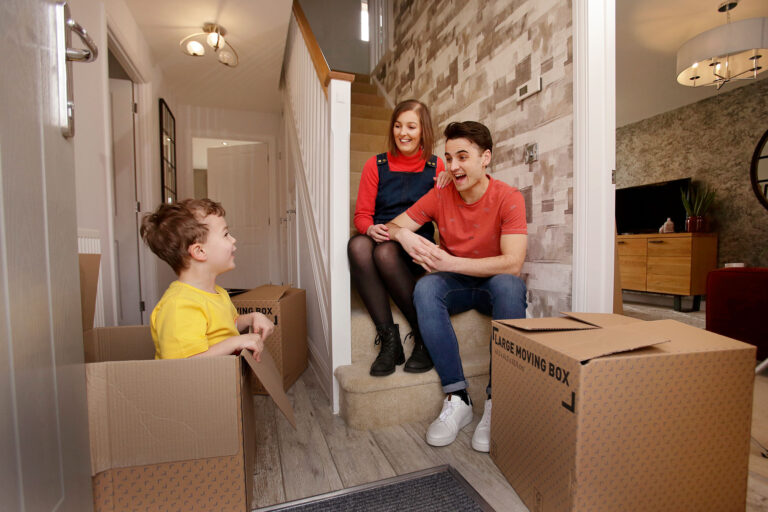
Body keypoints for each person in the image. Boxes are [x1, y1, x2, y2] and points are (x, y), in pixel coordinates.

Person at [386, 121, 527, 452]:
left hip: (494, 281)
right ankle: (458, 397)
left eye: (462, 157)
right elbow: (392, 226)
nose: (453, 166)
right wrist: (403, 234)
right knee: (426, 289)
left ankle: (498, 402)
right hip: (459, 285)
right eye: (448, 158)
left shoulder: (509, 197)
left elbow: (513, 263)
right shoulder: (440, 195)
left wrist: (449, 262)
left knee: (510, 287)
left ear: (485, 157)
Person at [348, 99, 451, 376]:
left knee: (384, 253)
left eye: (411, 126)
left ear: (423, 131)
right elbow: (361, 216)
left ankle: (423, 334)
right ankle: (390, 341)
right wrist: (368, 229)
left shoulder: (437, 166)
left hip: (415, 245)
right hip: (383, 234)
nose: (403, 133)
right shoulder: (375, 165)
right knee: (358, 246)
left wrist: (450, 179)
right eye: (397, 125)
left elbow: (448, 210)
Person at [140, 198, 275, 360]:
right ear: (200, 251)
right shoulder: (180, 305)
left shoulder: (217, 292)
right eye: (225, 234)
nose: (233, 239)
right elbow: (182, 366)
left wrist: (252, 317)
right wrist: (236, 342)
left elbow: (228, 326)